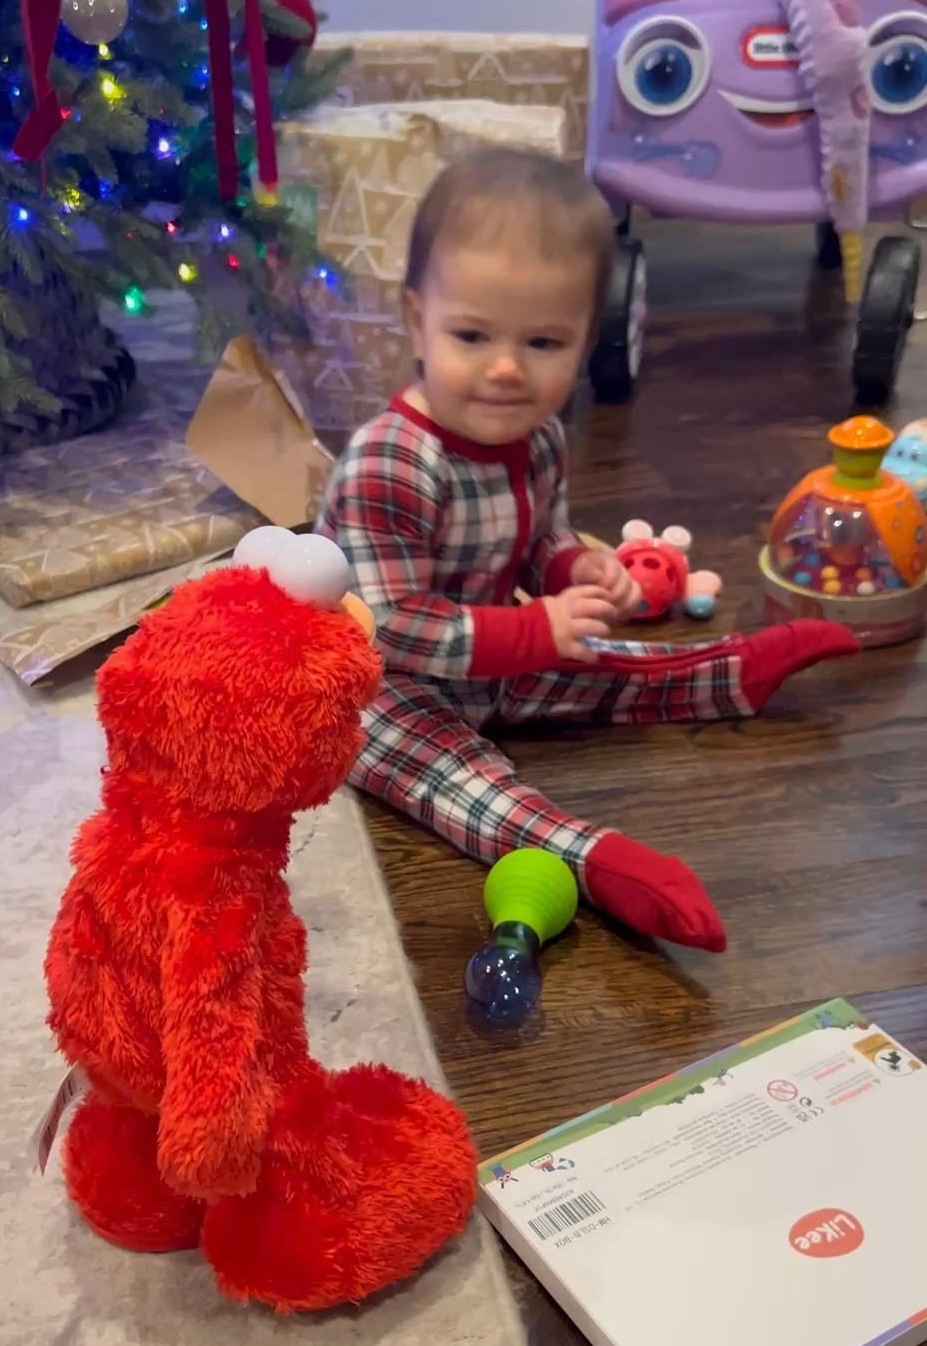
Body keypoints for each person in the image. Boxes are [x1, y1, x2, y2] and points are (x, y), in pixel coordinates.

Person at [316, 148, 856, 951]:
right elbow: (388, 625)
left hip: (483, 659)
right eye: (472, 335)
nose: (505, 368)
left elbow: (542, 542)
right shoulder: (390, 461)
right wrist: (534, 631)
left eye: (543, 342)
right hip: (366, 688)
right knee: (462, 779)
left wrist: (580, 569)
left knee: (603, 662)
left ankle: (726, 672)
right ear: (415, 320)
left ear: (584, 341)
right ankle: (594, 862)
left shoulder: (539, 439)